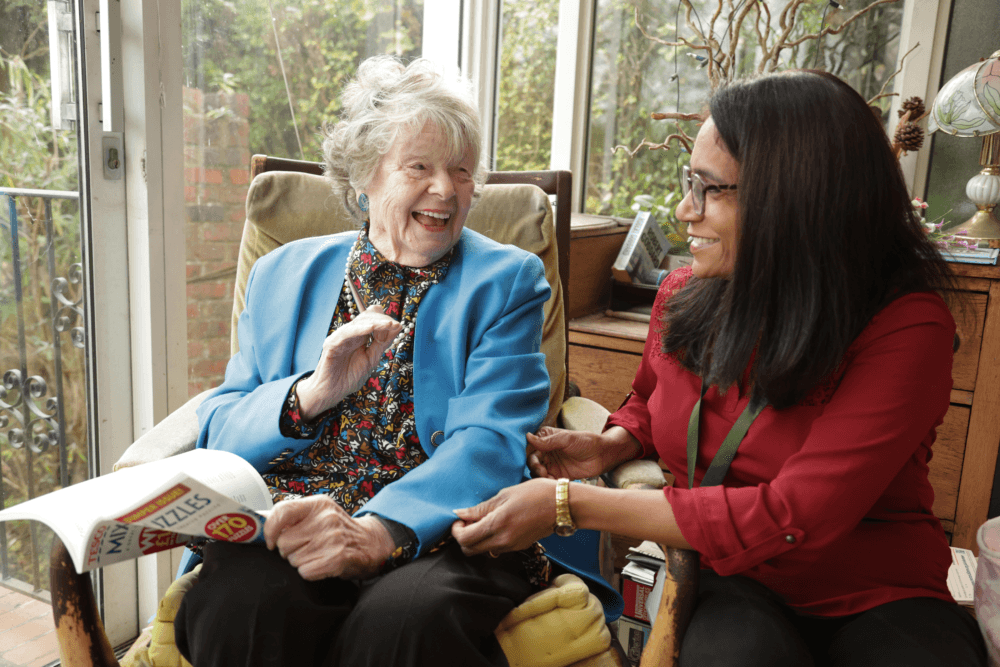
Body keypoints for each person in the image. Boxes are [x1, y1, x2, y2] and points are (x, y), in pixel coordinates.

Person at [452, 70, 989, 666]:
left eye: (708, 188)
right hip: (733, 576)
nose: (685, 210)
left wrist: (568, 504)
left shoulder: (906, 326)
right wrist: (611, 445)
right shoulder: (683, 295)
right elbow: (651, 401)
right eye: (689, 183)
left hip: (878, 593)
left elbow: (795, 516)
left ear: (793, 197)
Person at [173, 55, 602, 667]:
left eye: (461, 170)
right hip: (295, 519)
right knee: (244, 609)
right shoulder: (282, 275)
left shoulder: (506, 281)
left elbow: (489, 442)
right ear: (364, 178)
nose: (447, 190)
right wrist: (311, 393)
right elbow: (223, 427)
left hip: (444, 530)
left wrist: (379, 532)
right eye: (420, 167)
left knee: (403, 623)